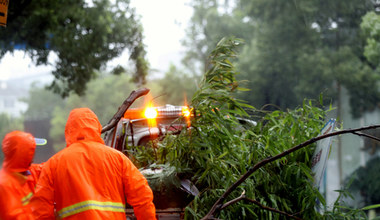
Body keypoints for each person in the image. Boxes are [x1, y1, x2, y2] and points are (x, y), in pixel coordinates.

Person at [30, 107, 156, 219]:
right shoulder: (118, 158)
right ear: (97, 127)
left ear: (69, 130)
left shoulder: (54, 164)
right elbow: (141, 195)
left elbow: (41, 209)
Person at [0, 131, 37, 220]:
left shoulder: (22, 174)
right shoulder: (4, 185)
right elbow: (16, 215)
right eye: (31, 152)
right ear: (23, 154)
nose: (33, 156)